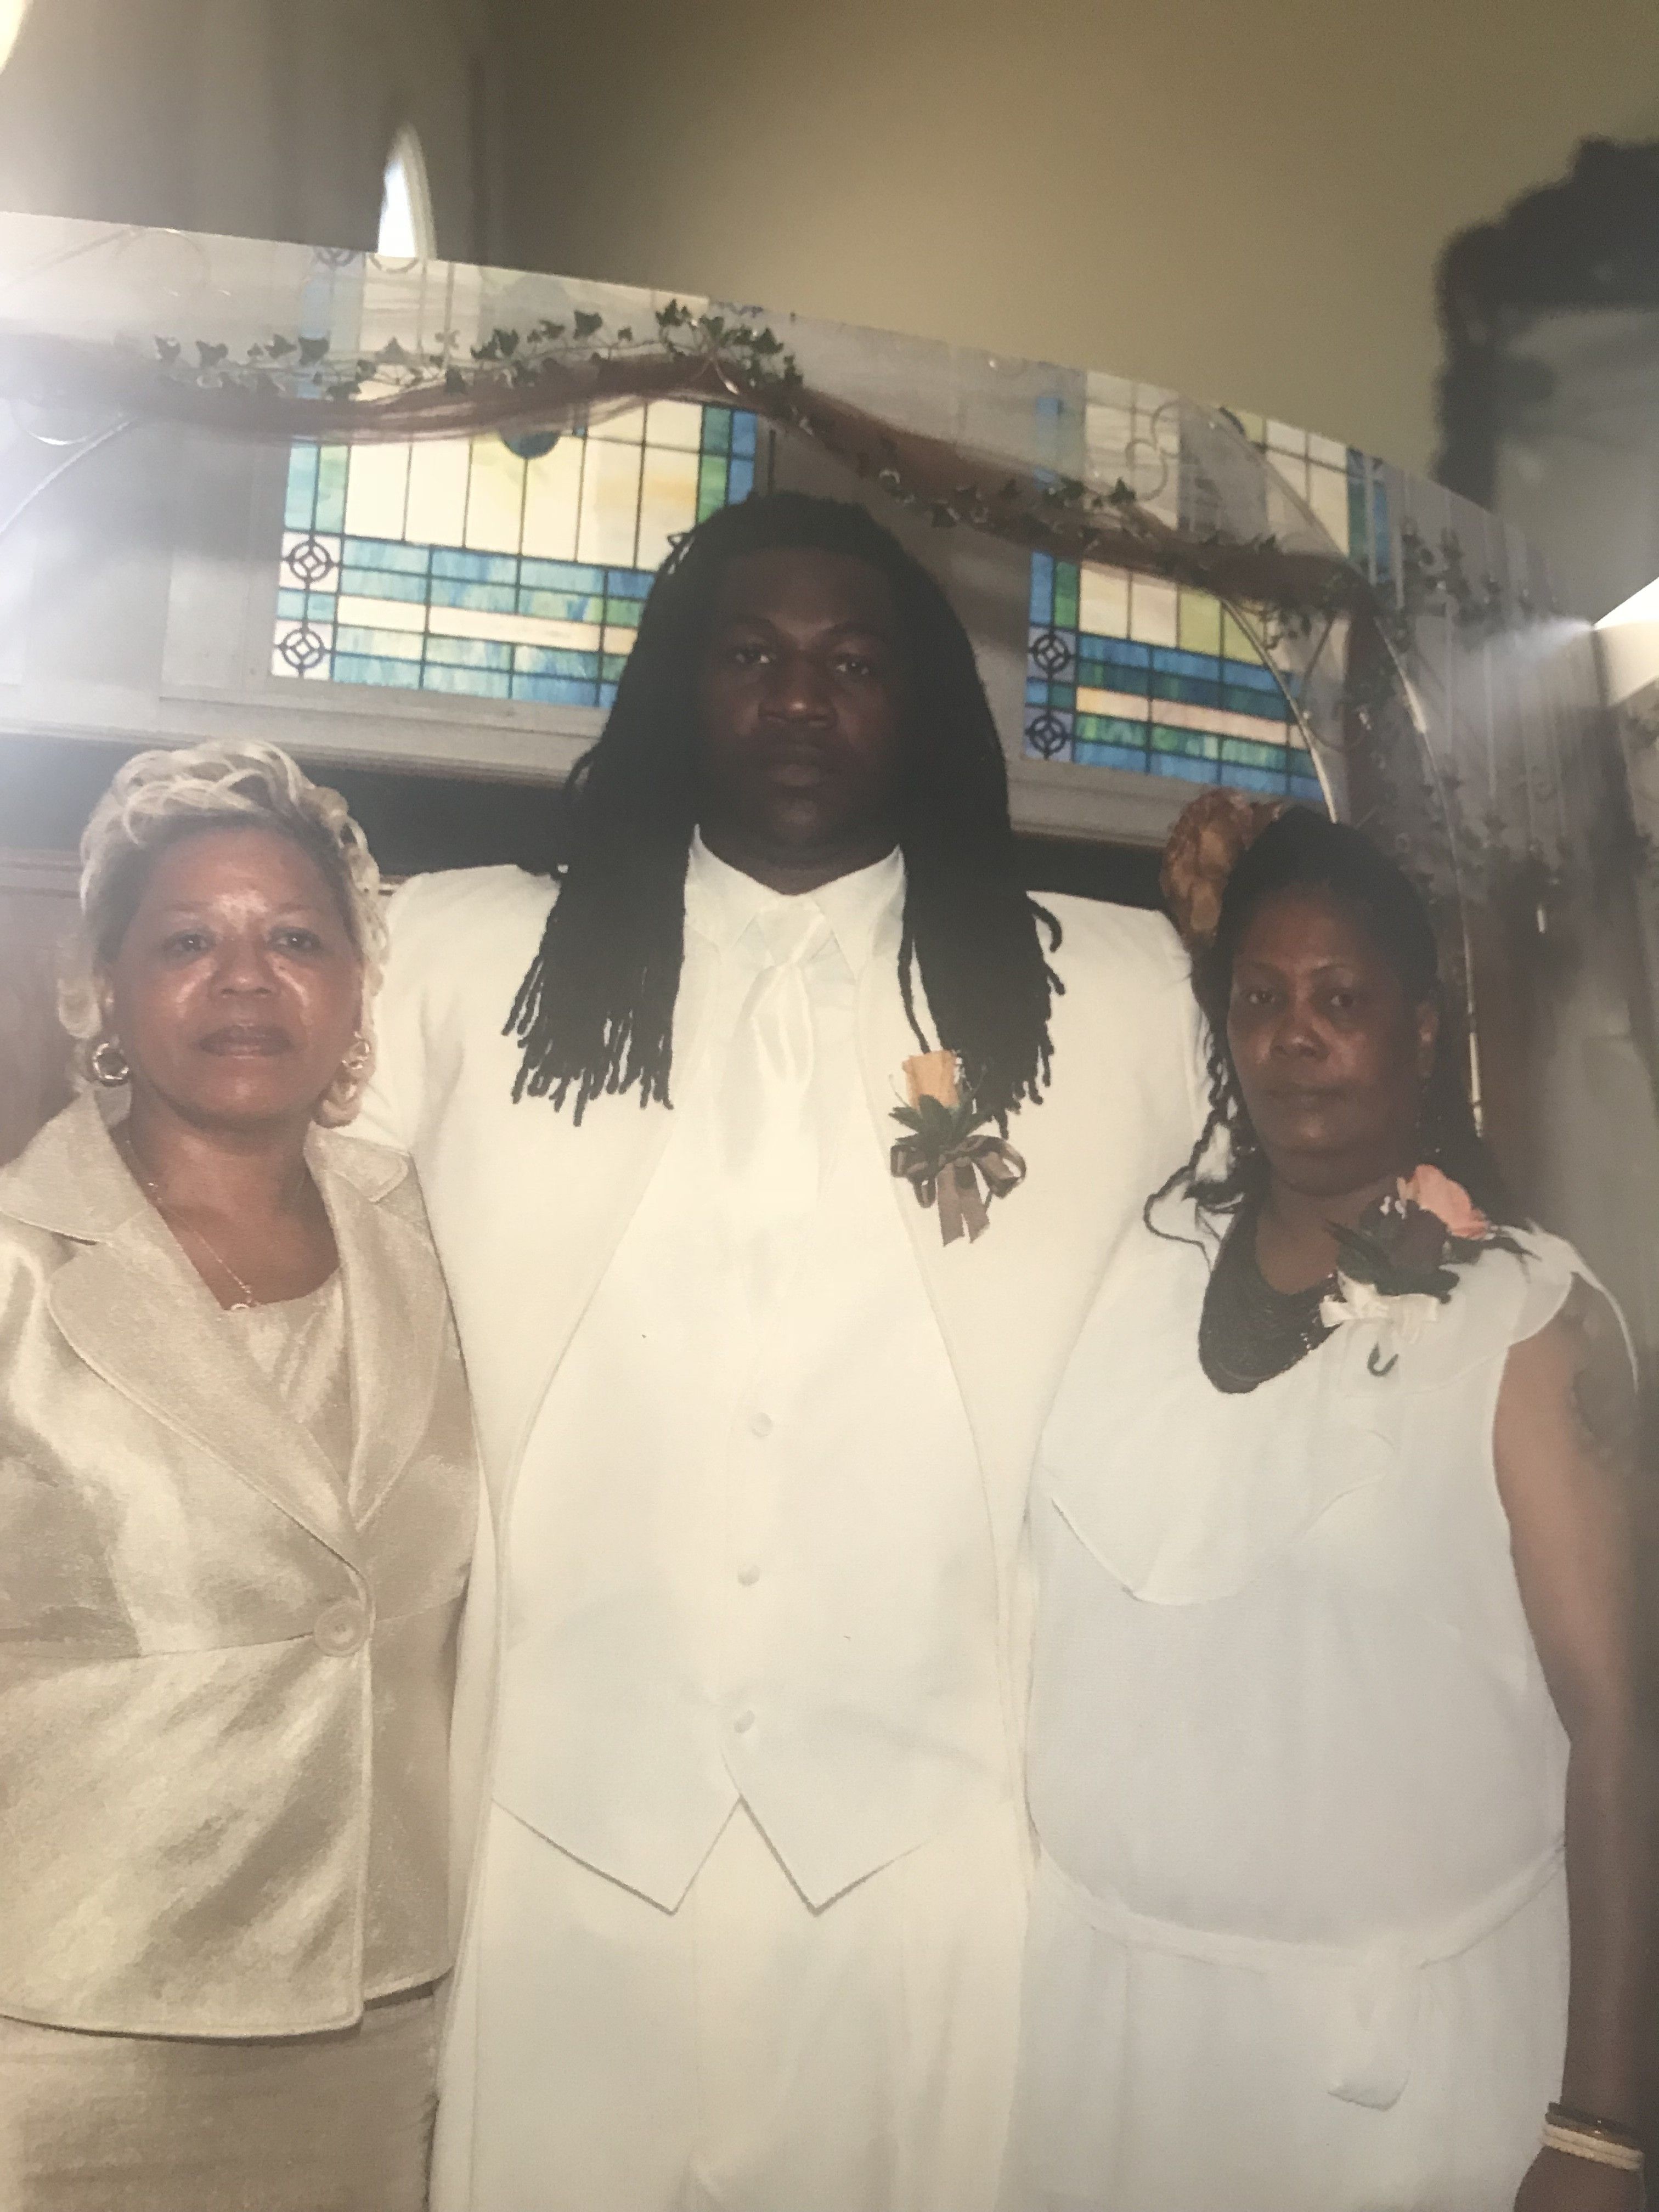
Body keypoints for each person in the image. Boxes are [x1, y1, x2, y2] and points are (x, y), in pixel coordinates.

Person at [356, 489, 1205, 2212]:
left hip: (933, 1862)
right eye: (749, 656)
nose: (800, 698)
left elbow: (1298, 1243)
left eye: (853, 663)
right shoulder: (460, 953)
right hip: (562, 1844)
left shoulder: (1119, 996)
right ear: (679, 686)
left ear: (923, 705)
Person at [998, 797, 1654, 2212]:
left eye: (1341, 1000)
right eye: (1262, 1000)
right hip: (1106, 2042)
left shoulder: (1527, 1322)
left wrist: (1603, 2130)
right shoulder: (1143, 1260)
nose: (1296, 1036)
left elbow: (1626, 1727)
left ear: (1420, 1030)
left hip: (1395, 2081)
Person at [0, 741, 481, 2212]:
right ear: (106, 985)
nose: (245, 979)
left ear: (356, 990)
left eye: (294, 940)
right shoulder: (17, 1266)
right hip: (68, 2027)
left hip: (378, 2024)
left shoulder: (443, 1247)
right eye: (187, 943)